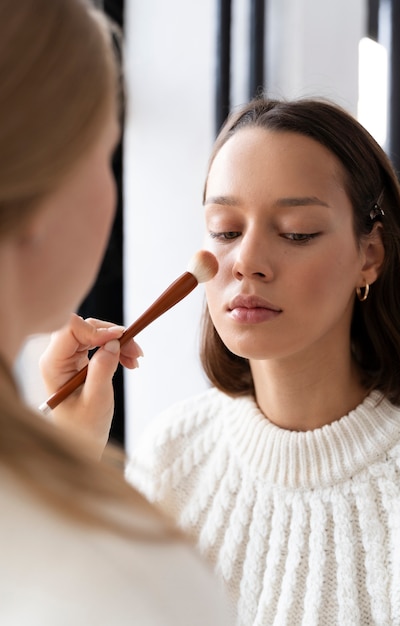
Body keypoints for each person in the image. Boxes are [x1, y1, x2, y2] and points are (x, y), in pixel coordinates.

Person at [43, 96, 400, 624]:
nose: (246, 262)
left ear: (370, 257)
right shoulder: (171, 456)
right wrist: (68, 461)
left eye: (296, 232)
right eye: (225, 230)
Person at [0, 1, 232, 624]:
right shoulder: (132, 573)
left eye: (296, 231)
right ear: (45, 198)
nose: (248, 262)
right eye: (106, 156)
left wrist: (65, 456)